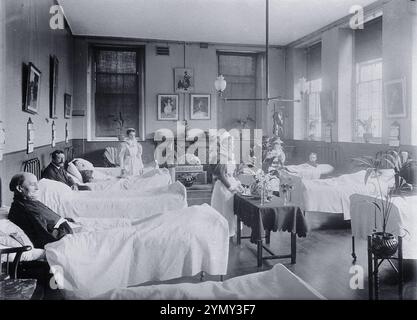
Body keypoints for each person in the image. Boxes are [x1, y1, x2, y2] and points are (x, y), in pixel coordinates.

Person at [8, 172, 73, 249]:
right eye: (32, 184)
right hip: (64, 237)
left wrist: (66, 221)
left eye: (37, 184)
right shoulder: (26, 210)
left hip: (65, 229)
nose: (37, 188)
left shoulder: (29, 201)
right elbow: (51, 237)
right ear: (19, 188)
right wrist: (67, 227)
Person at [210, 132, 243, 237]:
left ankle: (230, 232)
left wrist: (237, 183)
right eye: (229, 144)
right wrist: (231, 187)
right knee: (225, 211)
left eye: (232, 143)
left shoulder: (231, 155)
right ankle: (224, 234)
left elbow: (232, 173)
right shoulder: (220, 156)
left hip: (230, 184)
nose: (231, 145)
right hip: (223, 188)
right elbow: (221, 175)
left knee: (232, 210)